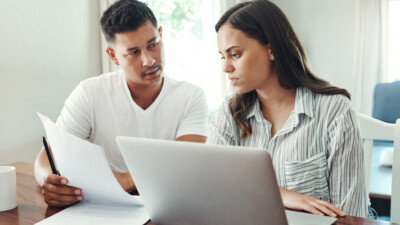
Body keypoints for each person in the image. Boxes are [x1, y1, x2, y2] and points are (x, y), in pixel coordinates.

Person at [34, 0, 209, 208]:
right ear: (113, 56)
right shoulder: (90, 93)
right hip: (101, 208)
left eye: (153, 45)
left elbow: (185, 167)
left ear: (161, 34)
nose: (149, 60)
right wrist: (50, 182)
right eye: (133, 52)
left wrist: (124, 180)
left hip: (169, 208)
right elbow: (46, 158)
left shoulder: (191, 97)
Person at [208, 0, 368, 218]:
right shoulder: (229, 114)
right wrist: (281, 194)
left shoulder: (335, 111)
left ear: (271, 49)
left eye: (235, 54)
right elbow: (211, 189)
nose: (226, 67)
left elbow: (351, 216)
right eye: (222, 57)